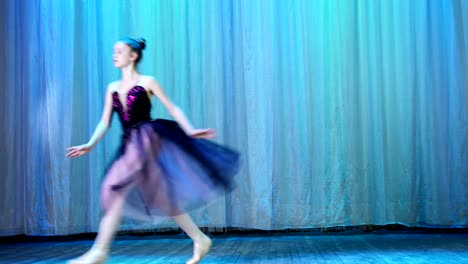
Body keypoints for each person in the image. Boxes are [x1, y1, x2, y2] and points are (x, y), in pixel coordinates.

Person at [66, 37, 240, 264]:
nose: (114, 55)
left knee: (113, 186)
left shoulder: (148, 82)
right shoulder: (112, 88)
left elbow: (172, 107)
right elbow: (104, 122)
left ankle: (100, 250)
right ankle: (200, 239)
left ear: (133, 55)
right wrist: (90, 143)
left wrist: (189, 129)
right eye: (113, 51)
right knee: (163, 198)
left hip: (148, 137)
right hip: (129, 141)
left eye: (119, 51)